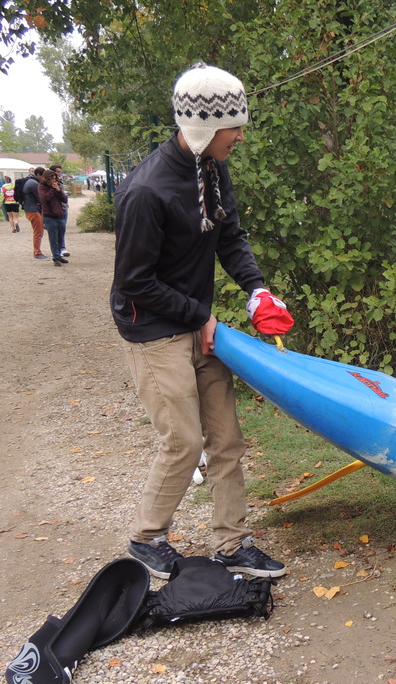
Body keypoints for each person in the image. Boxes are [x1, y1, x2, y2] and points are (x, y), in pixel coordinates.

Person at [112, 63, 294, 580]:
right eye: (233, 127)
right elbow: (134, 282)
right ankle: (146, 537)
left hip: (200, 324)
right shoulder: (145, 192)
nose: (240, 136)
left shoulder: (212, 168)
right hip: (153, 331)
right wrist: (200, 315)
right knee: (184, 440)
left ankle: (232, 543)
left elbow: (229, 235)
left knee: (226, 438)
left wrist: (256, 290)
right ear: (204, 127)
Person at [38, 169, 69, 266]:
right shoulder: (41, 188)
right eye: (52, 179)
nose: (54, 180)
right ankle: (55, 257)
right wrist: (52, 189)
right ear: (47, 179)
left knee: (60, 237)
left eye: (55, 178)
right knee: (53, 238)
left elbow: (65, 199)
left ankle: (59, 255)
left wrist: (59, 191)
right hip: (49, 216)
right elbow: (45, 199)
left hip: (60, 215)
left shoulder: (58, 186)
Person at [49, 164, 71, 258]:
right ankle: (58, 250)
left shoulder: (60, 182)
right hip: (55, 210)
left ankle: (62, 248)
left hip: (64, 207)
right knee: (55, 231)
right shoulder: (48, 185)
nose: (59, 173)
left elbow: (63, 196)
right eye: (58, 172)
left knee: (62, 229)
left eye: (60, 172)